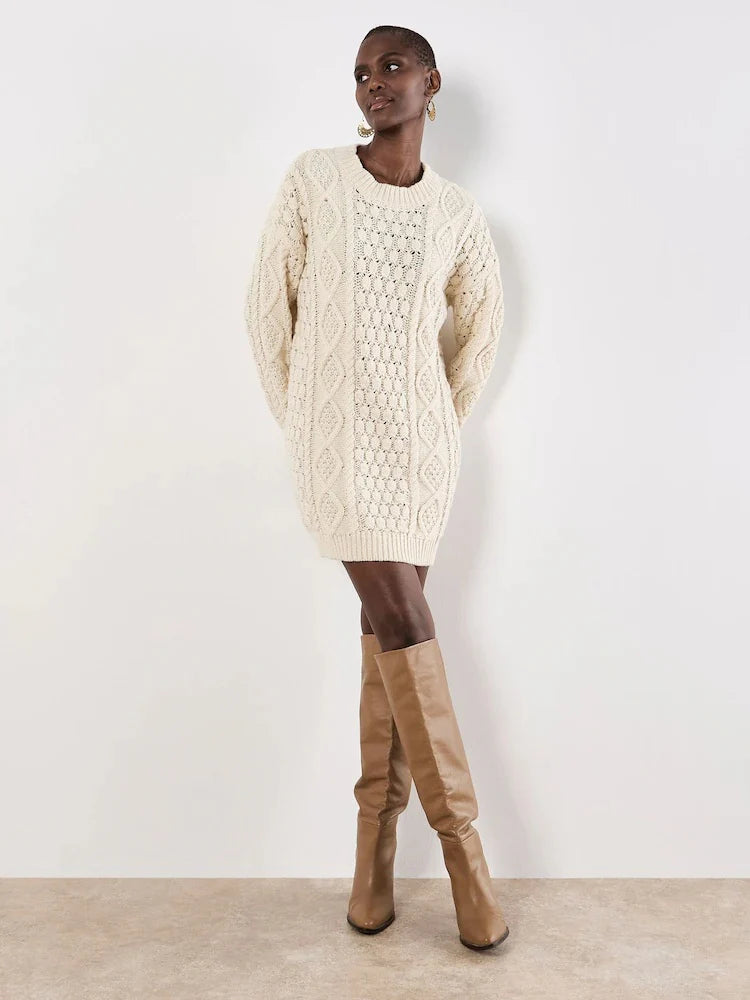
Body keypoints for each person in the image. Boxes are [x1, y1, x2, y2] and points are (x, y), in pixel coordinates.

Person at [245, 24, 508, 951]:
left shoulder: (457, 214)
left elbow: (480, 328)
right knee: (405, 623)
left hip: (420, 459)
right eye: (361, 73)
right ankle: (467, 860)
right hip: (337, 452)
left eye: (391, 67)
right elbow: (266, 311)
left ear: (430, 82)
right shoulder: (315, 180)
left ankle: (374, 870)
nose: (373, 84)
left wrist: (436, 418)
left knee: (384, 639)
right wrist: (309, 423)